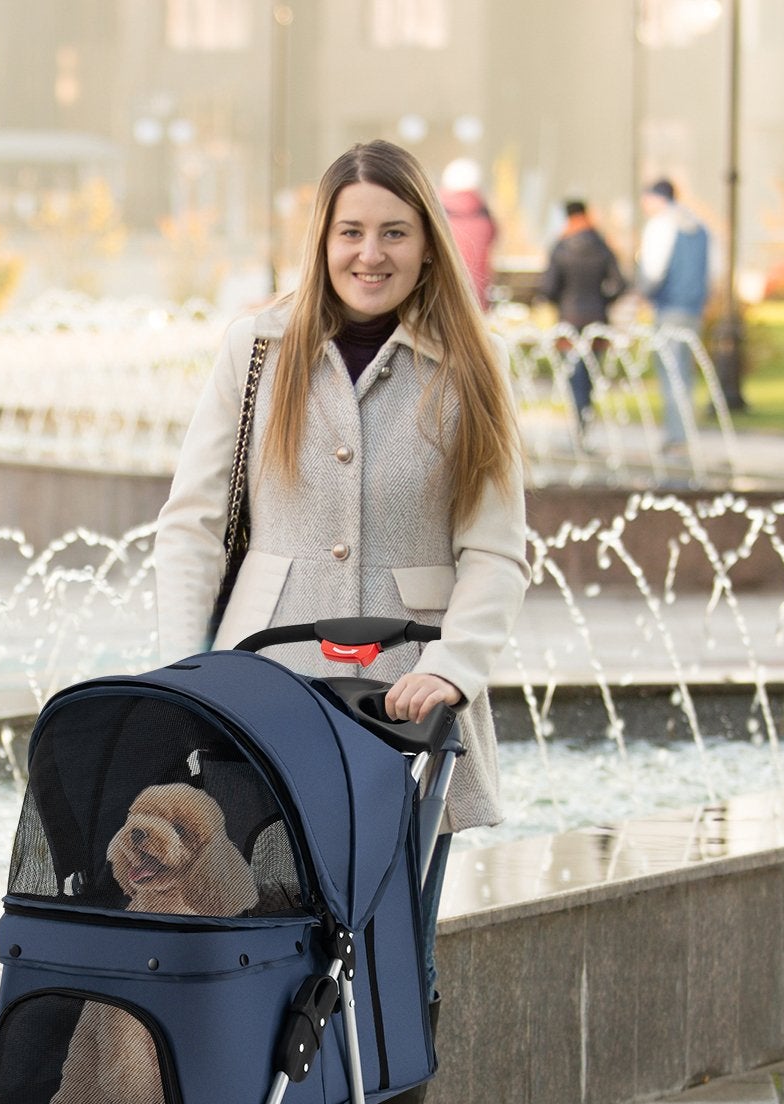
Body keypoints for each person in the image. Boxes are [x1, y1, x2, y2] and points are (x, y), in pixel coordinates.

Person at [155, 138, 532, 1026]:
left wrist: (455, 664)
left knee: (393, 959)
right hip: (263, 694)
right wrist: (183, 675)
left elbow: (496, 549)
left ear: (429, 244)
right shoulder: (257, 352)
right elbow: (193, 525)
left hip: (405, 704)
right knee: (259, 941)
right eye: (351, 231)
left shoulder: (476, 367)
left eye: (395, 232)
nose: (372, 253)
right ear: (322, 240)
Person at [636, 176, 710, 450]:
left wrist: (642, 292)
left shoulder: (661, 225)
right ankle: (685, 431)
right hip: (693, 307)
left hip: (669, 306)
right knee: (684, 372)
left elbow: (654, 269)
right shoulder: (699, 226)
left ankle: (676, 435)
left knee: (670, 371)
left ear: (657, 198)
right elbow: (712, 270)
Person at [540, 198, 626, 432]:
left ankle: (579, 421)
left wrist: (561, 301)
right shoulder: (601, 245)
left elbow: (548, 287)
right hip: (596, 317)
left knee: (574, 374)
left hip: (569, 318)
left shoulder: (561, 246)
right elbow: (620, 283)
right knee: (589, 374)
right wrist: (603, 301)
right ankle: (585, 420)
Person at [438, 157, 497, 310]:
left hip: (440, 295)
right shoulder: (484, 215)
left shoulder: (436, 213)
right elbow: (494, 238)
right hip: (476, 294)